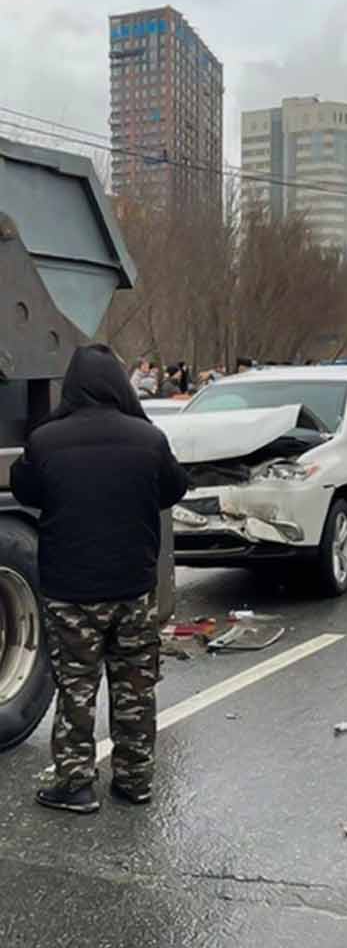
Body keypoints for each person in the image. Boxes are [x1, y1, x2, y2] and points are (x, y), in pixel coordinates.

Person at [10, 345, 189, 813]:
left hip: (71, 590)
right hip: (132, 586)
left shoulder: (46, 439)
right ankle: (134, 779)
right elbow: (174, 488)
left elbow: (26, 489)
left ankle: (75, 783)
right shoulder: (149, 439)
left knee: (77, 686)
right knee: (135, 684)